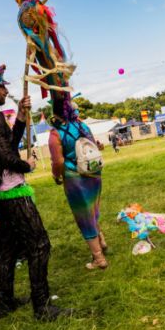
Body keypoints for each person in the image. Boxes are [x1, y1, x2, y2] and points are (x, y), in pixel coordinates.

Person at [0, 65, 71, 321]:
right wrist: (29, 166)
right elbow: (7, 156)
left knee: (9, 248)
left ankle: (5, 302)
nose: (6, 91)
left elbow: (5, 144)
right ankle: (42, 307)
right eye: (2, 87)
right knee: (40, 245)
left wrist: (22, 117)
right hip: (12, 193)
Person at [49, 93, 107, 270]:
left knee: (84, 216)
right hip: (94, 173)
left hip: (75, 177)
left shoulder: (56, 133)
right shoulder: (82, 125)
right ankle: (101, 242)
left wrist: (56, 175)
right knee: (93, 210)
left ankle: (99, 258)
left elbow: (58, 161)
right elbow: (93, 146)